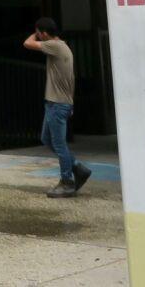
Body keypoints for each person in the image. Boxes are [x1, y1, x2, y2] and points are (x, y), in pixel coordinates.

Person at [25, 17, 91, 198]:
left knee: (59, 145)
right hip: (57, 102)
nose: (38, 36)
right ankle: (77, 167)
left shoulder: (55, 46)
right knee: (46, 138)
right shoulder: (63, 47)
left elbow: (27, 43)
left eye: (39, 33)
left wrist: (35, 33)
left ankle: (67, 182)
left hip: (57, 104)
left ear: (44, 33)